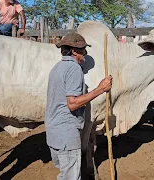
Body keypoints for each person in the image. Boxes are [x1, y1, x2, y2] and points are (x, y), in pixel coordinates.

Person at [44, 33, 113, 180]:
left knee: (65, 174)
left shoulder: (57, 68)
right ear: (74, 51)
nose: (85, 55)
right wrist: (101, 89)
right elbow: (72, 104)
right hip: (66, 134)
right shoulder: (74, 69)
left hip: (54, 134)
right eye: (84, 51)